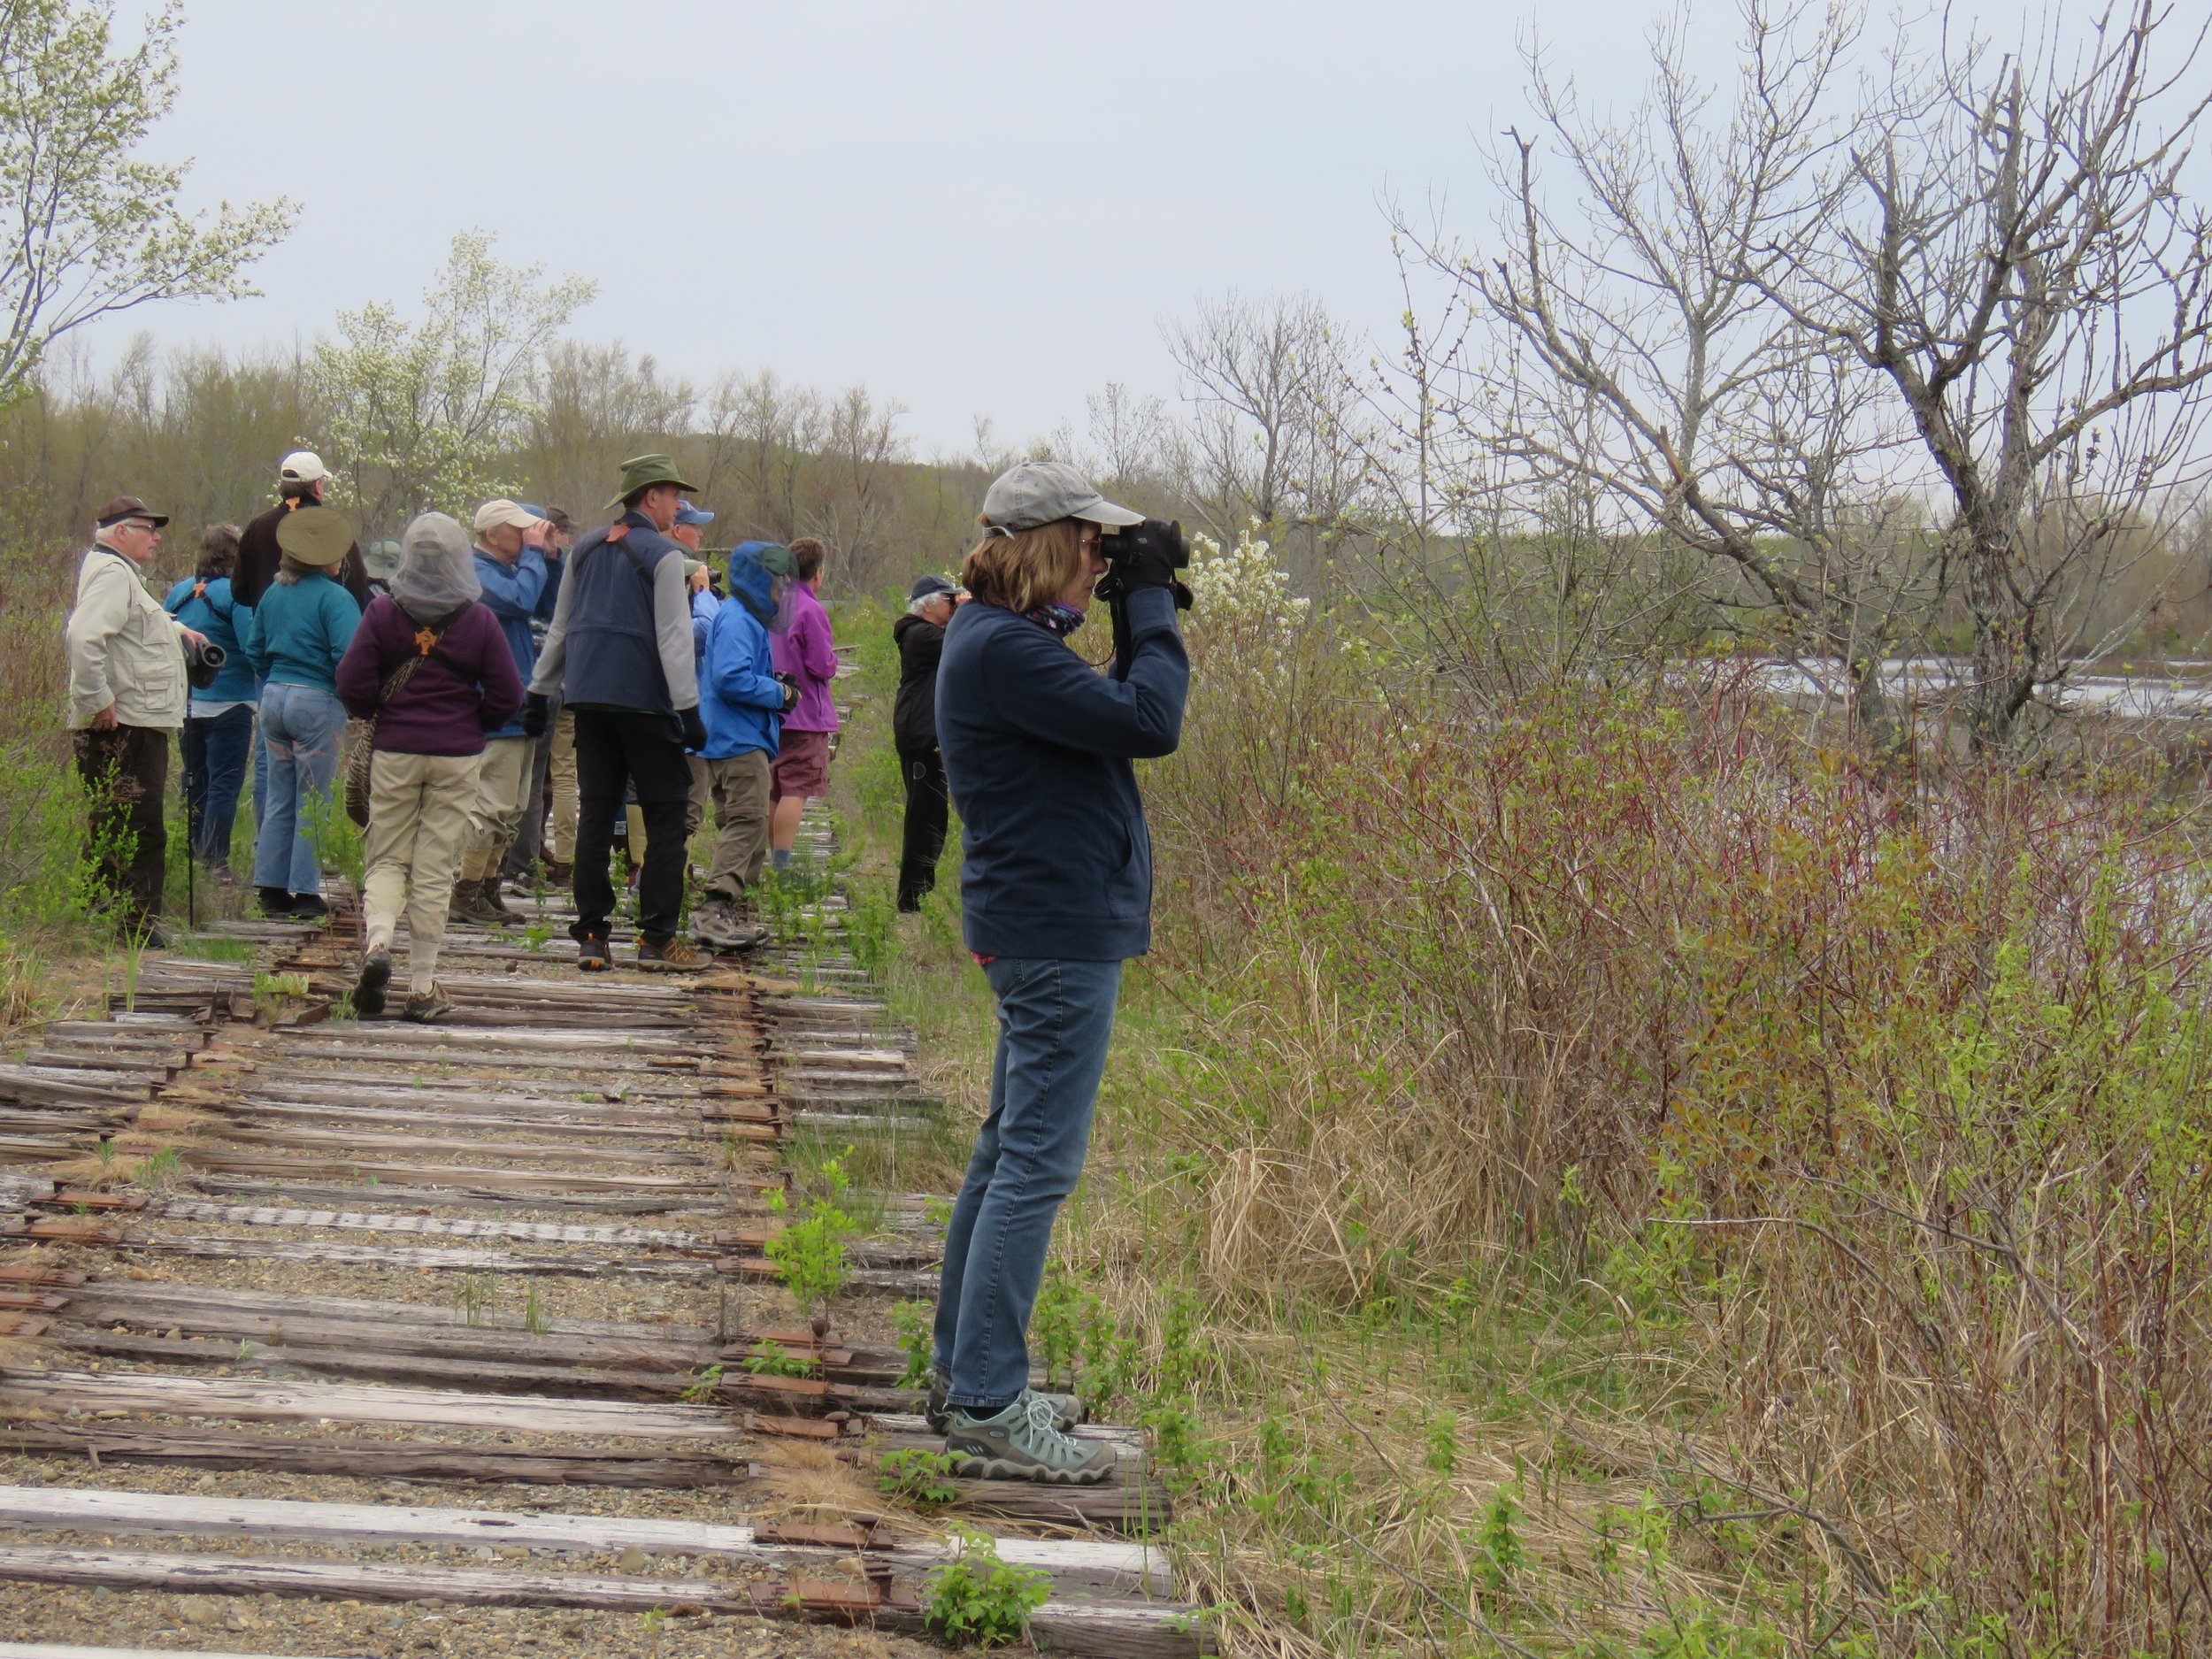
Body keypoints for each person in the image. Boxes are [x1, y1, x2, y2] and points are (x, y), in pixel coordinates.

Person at [928, 461, 1190, 1484]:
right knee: (1034, 1163)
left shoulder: (1000, 643)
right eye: (1096, 543)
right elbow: (1150, 721)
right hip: (1055, 932)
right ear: (1051, 543)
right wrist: (1153, 602)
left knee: (1007, 1154)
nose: (1106, 560)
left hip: (1040, 921)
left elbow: (1117, 703)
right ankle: (989, 1400)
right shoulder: (1001, 651)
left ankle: (969, 1377)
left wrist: (1128, 599)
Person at [524, 454, 709, 972]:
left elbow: (561, 627)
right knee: (667, 815)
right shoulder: (666, 556)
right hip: (647, 704)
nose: (679, 504)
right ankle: (656, 939)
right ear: (651, 498)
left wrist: (540, 692)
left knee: (597, 814)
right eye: (674, 495)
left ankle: (591, 935)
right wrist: (689, 709)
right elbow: (674, 638)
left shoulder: (583, 550)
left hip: (589, 700)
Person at [337, 513, 524, 1024]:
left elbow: (351, 682)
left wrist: (382, 712)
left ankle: (378, 942)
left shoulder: (381, 612)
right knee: (437, 866)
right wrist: (471, 722)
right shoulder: (479, 620)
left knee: (387, 857)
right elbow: (509, 693)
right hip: (458, 755)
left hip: (396, 751)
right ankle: (422, 987)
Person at [64, 496, 204, 946]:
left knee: (113, 822)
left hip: (128, 723)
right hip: (124, 726)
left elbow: (135, 625)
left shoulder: (119, 574)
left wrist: (180, 632)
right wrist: (98, 699)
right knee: (140, 828)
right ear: (121, 532)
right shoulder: (112, 574)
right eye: (148, 528)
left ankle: (99, 919)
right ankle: (137, 930)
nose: (156, 536)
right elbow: (83, 636)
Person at [235, 451, 369, 837]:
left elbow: (240, 591)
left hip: (272, 666)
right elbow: (357, 590)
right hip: (318, 674)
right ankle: (305, 875)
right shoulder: (330, 530)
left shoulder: (258, 527)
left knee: (269, 765)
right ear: (318, 486)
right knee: (313, 788)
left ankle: (269, 851)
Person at [242, 504, 362, 919]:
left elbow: (254, 649)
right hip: (315, 702)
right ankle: (307, 894)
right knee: (314, 798)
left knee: (278, 795)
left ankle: (271, 889)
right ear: (325, 558)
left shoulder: (274, 593)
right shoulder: (336, 598)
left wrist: (277, 676)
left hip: (273, 698)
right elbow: (350, 657)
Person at [453, 499, 560, 925]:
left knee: (513, 807)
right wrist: (535, 556)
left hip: (520, 706)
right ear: (493, 533)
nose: (525, 537)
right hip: (494, 708)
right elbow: (519, 602)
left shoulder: (512, 571)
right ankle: (465, 890)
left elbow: (549, 606)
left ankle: (487, 887)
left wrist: (550, 557)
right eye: (518, 530)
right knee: (490, 805)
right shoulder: (477, 574)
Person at [693, 541, 802, 950]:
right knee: (747, 823)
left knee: (744, 826)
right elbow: (731, 678)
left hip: (732, 736)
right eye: (777, 582)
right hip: (738, 740)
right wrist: (779, 694)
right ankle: (714, 910)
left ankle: (731, 912)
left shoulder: (740, 617)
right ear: (759, 580)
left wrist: (773, 679)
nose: (782, 590)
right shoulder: (740, 618)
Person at [163, 524, 257, 873]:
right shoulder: (235, 596)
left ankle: (187, 856)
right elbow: (251, 646)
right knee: (224, 783)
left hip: (186, 703)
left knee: (194, 778)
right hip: (230, 703)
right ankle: (214, 862)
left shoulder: (180, 592)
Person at [767, 534, 839, 869]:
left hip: (771, 710)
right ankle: (782, 864)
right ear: (818, 573)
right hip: (806, 714)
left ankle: (770, 855)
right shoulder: (812, 610)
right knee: (795, 789)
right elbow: (822, 664)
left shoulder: (772, 604)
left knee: (773, 789)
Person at [891, 572, 961, 911]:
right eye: (949, 600)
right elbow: (964, 641)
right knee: (924, 817)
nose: (954, 607)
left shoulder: (927, 633)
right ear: (930, 605)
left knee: (933, 815)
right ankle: (912, 900)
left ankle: (919, 894)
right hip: (920, 735)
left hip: (924, 733)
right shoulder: (920, 635)